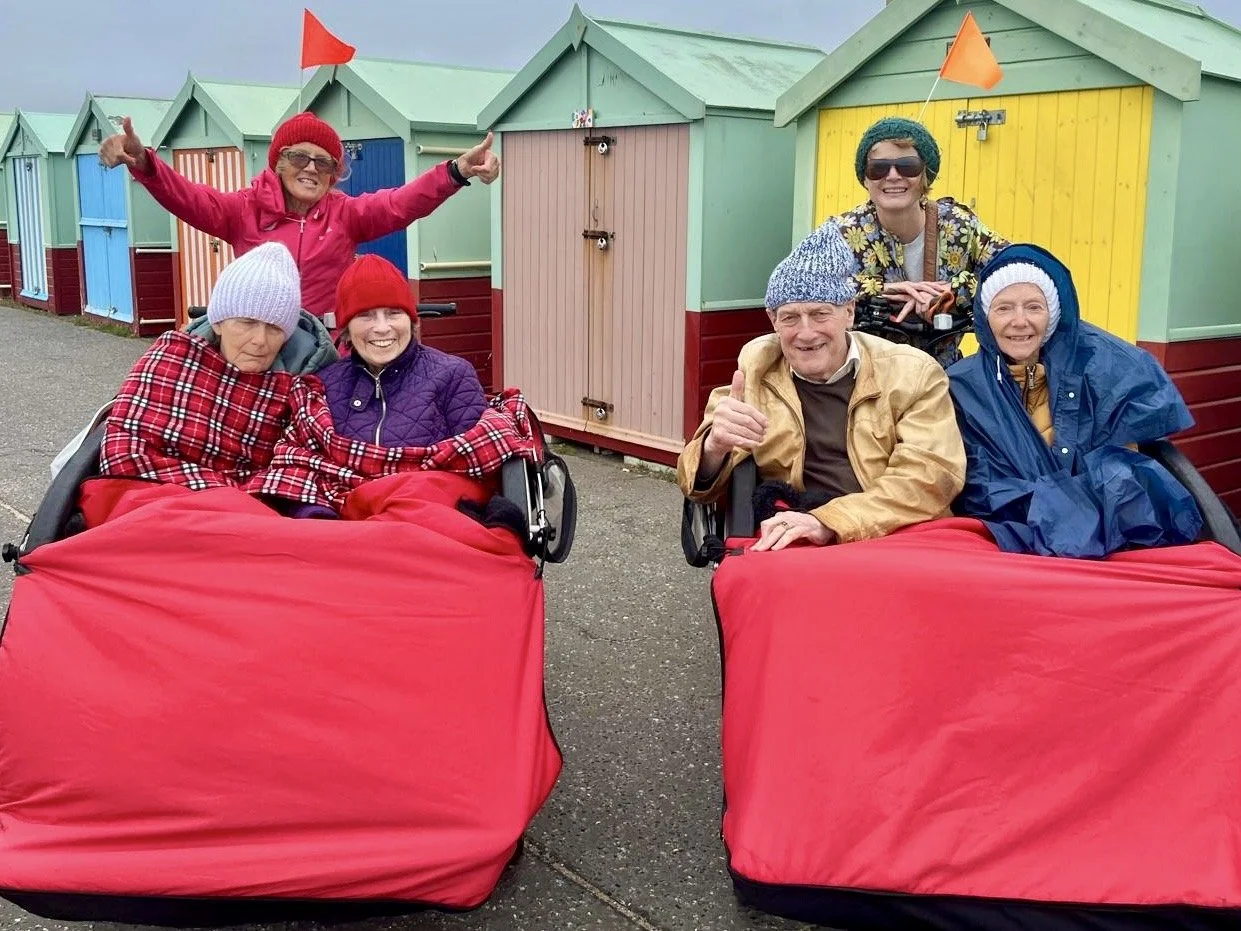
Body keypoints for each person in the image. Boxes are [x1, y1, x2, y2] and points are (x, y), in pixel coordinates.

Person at [676, 220, 966, 552]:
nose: (806, 333)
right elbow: (694, 483)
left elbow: (930, 477)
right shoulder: (757, 371)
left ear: (849, 312)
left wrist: (832, 521)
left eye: (820, 314)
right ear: (773, 321)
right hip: (800, 529)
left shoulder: (912, 373)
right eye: (790, 317)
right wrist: (714, 447)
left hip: (896, 531)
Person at [98, 111, 500, 322]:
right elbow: (188, 198)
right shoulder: (243, 209)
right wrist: (146, 165)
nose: (311, 168)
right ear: (278, 162)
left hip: (326, 349)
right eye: (298, 157)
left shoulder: (347, 215)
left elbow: (400, 203)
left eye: (324, 163)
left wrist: (455, 172)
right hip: (262, 346)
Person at [947, 243, 1203, 557]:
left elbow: (1121, 479)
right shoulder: (963, 387)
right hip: (1007, 542)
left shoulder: (1105, 367)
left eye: (1033, 307)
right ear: (986, 318)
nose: (1019, 320)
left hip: (1110, 544)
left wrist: (1060, 514)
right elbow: (979, 486)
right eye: (1003, 308)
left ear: (1052, 314)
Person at [99, 242, 316, 491]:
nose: (260, 340)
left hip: (244, 510)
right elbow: (122, 450)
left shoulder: (300, 391)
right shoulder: (171, 359)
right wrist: (219, 491)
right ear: (218, 324)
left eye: (275, 328)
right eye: (247, 322)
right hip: (150, 495)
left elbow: (300, 471)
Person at [827, 116, 1008, 366]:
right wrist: (880, 290)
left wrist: (955, 292)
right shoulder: (839, 234)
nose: (892, 176)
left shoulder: (959, 226)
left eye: (907, 166)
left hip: (945, 380)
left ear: (926, 175)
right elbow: (802, 288)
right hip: (865, 379)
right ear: (865, 178)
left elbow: (1019, 270)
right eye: (878, 168)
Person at [320, 254, 487, 446]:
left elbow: (477, 461)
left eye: (394, 313)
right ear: (347, 329)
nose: (382, 328)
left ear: (411, 320)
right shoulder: (325, 385)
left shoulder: (453, 376)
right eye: (365, 316)